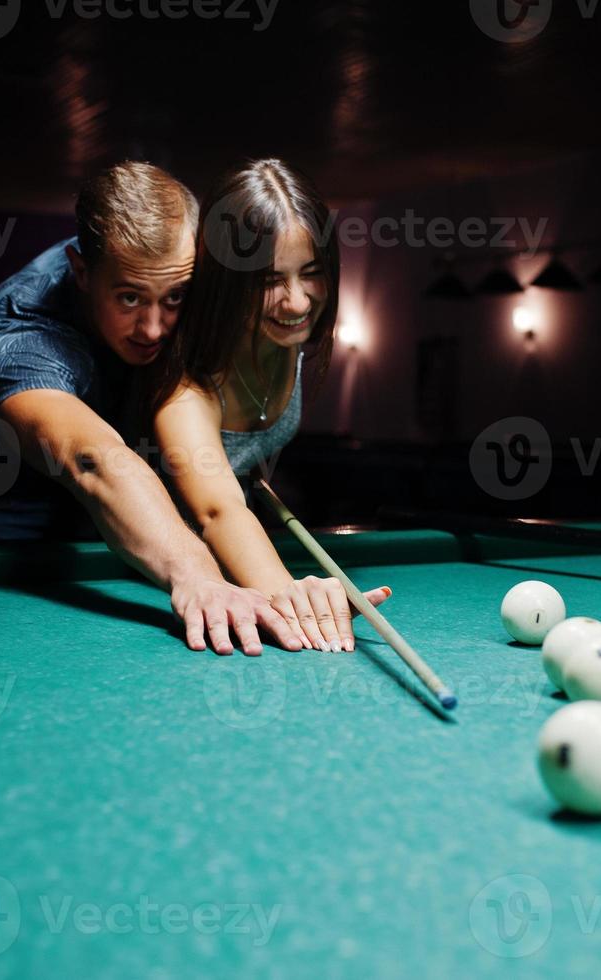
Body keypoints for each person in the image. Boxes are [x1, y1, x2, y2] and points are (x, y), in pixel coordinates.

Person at [0, 161, 305, 656]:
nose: (154, 328)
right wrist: (199, 575)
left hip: (111, 514)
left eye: (174, 297)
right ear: (81, 271)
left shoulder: (185, 281)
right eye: (130, 297)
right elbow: (89, 456)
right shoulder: (19, 329)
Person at [144, 159, 389, 654]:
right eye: (268, 281)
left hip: (233, 556)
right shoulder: (188, 387)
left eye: (312, 273)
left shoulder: (285, 338)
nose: (298, 301)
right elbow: (217, 509)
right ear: (226, 281)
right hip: (163, 561)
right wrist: (285, 591)